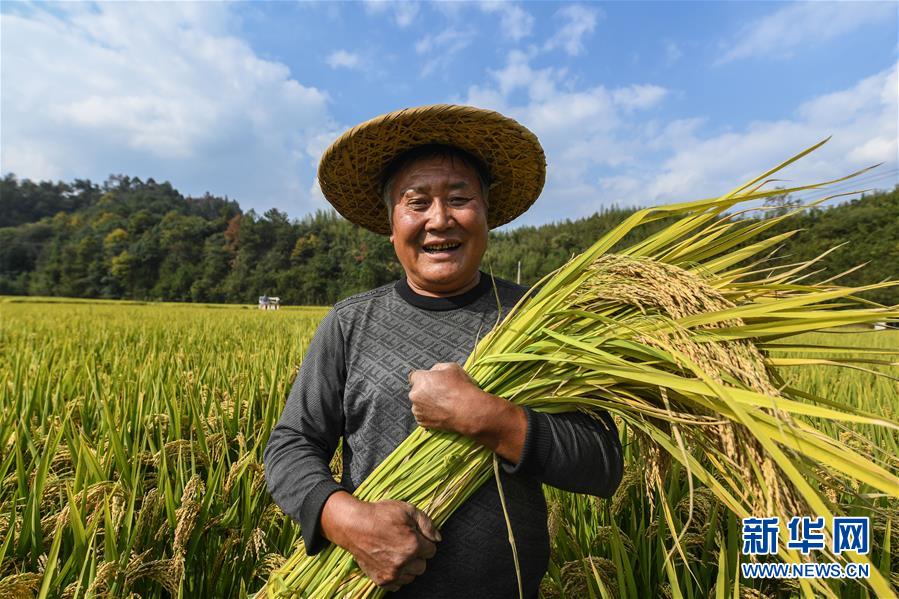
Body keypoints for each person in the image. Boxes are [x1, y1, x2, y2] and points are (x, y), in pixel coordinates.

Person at [264, 104, 623, 598]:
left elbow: (602, 461)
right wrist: (345, 519)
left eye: (459, 198)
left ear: (486, 214)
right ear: (391, 224)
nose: (440, 219)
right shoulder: (349, 323)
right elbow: (291, 445)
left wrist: (489, 418)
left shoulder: (536, 320)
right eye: (417, 202)